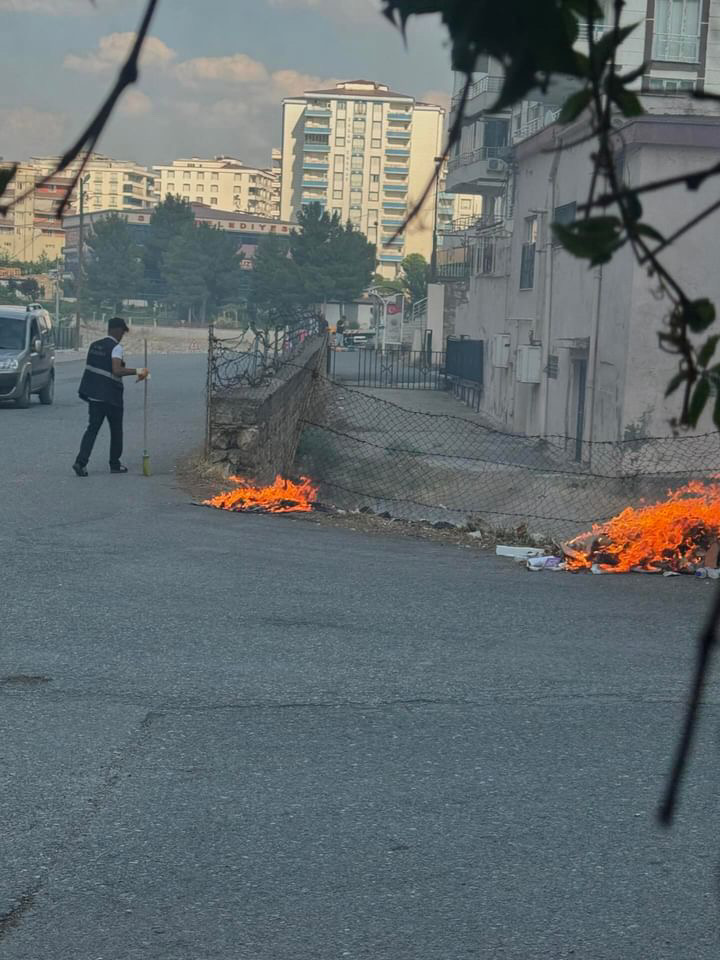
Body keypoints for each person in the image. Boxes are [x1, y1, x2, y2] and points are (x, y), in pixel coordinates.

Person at [72, 317, 149, 477]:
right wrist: (139, 371)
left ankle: (81, 462)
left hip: (94, 396)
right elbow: (116, 370)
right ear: (118, 330)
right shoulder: (116, 348)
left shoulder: (94, 346)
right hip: (111, 397)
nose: (122, 336)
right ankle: (115, 464)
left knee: (92, 429)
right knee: (116, 431)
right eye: (122, 332)